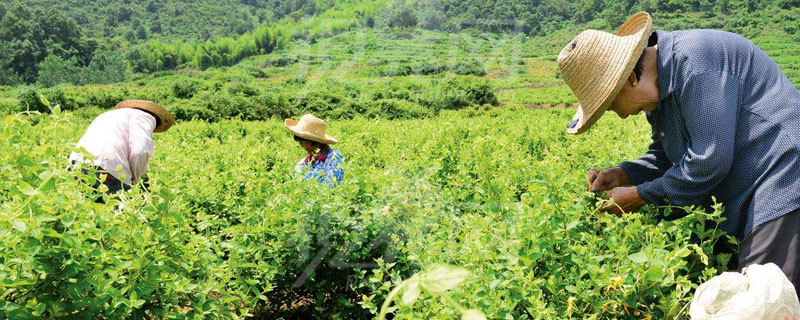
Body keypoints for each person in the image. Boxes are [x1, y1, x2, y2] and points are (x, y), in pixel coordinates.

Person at [557, 12, 800, 292]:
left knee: (765, 296)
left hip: (782, 175)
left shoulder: (695, 65)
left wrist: (639, 196)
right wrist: (626, 174)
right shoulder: (659, 92)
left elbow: (709, 162)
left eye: (613, 106)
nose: (622, 115)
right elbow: (667, 156)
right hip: (746, 190)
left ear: (629, 80)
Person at [69, 100, 175, 194]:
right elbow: (140, 151)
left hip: (78, 163)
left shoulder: (110, 115)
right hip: (108, 167)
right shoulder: (146, 118)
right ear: (155, 118)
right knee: (120, 211)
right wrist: (134, 180)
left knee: (88, 210)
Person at [285, 114, 344, 186]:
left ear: (318, 143)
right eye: (300, 143)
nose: (303, 147)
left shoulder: (333, 157)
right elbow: (294, 184)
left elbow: (332, 186)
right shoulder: (304, 162)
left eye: (306, 144)